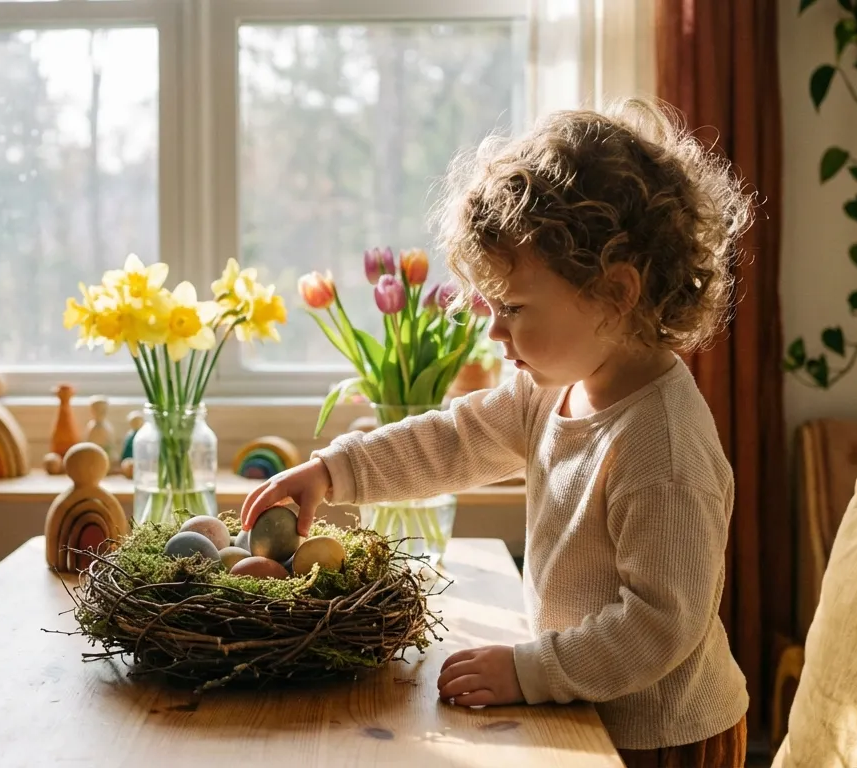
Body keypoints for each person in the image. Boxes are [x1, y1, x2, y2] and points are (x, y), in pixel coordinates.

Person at [241, 99, 752, 767]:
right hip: (583, 709)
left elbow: (660, 627)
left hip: (661, 735)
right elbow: (452, 441)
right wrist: (334, 471)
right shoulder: (552, 388)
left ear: (616, 293)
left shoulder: (663, 444)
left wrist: (527, 672)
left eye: (513, 308)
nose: (495, 332)